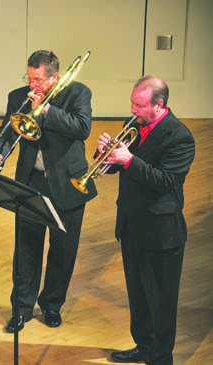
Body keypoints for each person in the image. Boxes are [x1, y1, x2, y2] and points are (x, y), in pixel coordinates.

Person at [0, 50, 97, 332]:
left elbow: (82, 128)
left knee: (63, 251)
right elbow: (6, 132)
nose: (32, 85)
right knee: (25, 250)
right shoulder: (18, 96)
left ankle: (51, 305)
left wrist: (47, 110)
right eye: (29, 78)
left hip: (68, 184)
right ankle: (21, 309)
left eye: (38, 80)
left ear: (54, 77)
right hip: (30, 182)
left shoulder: (78, 93)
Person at [96, 76, 195, 365]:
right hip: (132, 227)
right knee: (138, 296)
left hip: (161, 234)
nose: (132, 110)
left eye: (139, 105)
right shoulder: (136, 126)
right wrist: (105, 155)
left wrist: (127, 160)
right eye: (132, 103)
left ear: (159, 105)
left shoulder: (179, 136)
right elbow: (116, 168)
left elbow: (165, 181)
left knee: (161, 303)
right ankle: (144, 346)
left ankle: (160, 358)